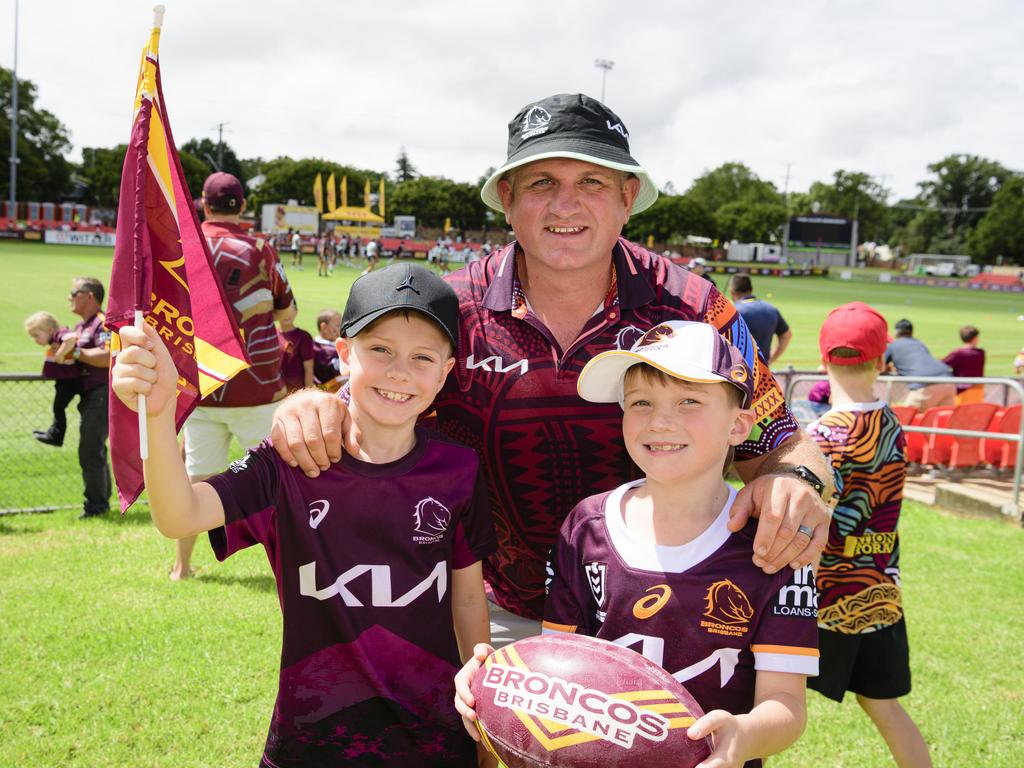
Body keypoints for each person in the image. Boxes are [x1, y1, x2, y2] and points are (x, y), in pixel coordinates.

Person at [269, 92, 835, 642]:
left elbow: (781, 440)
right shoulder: (448, 307)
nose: (565, 206)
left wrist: (800, 481)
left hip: (668, 615)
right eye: (543, 184)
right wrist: (311, 407)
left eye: (591, 182)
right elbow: (362, 410)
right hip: (488, 614)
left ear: (628, 196)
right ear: (508, 198)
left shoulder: (698, 307)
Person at [110, 263, 495, 767]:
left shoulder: (459, 468)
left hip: (434, 736)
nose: (400, 371)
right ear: (343, 353)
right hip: (313, 737)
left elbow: (467, 598)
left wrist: (484, 706)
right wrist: (158, 414)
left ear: (446, 372)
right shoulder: (290, 460)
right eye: (379, 349)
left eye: (423, 356)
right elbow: (178, 516)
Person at [456, 322, 818, 767]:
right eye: (641, 402)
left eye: (689, 401)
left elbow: (786, 704)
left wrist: (743, 734)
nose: (660, 421)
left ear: (739, 425)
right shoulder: (585, 526)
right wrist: (493, 684)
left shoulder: (773, 544)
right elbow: (557, 672)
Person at [807, 302, 933, 767]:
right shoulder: (894, 427)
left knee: (774, 700)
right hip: (880, 593)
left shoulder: (822, 436)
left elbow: (811, 525)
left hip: (823, 598)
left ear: (823, 360)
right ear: (882, 361)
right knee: (881, 703)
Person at [172, 172, 296, 581]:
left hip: (201, 382)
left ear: (203, 204)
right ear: (241, 205)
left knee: (197, 477)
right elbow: (287, 312)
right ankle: (291, 566)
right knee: (279, 478)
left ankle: (182, 566)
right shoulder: (260, 247)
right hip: (256, 384)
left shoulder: (183, 244)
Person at [68, 277, 112, 519]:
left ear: (90, 296)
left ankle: (96, 507)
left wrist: (75, 352)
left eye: (74, 293)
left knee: (89, 450)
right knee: (94, 449)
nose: (70, 298)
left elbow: (108, 356)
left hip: (101, 394)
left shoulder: (102, 323)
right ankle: (101, 501)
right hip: (88, 396)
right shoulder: (80, 326)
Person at [24, 311, 81, 447]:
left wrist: (60, 355)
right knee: (58, 408)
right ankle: (53, 432)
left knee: (58, 407)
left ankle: (56, 436)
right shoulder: (55, 338)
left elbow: (71, 339)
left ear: (49, 330)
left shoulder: (59, 334)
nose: (35, 340)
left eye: (37, 336)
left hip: (70, 381)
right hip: (65, 380)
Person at [885, 319, 955, 412]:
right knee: (941, 422)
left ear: (896, 332)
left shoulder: (892, 345)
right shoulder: (919, 343)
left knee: (904, 420)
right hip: (949, 381)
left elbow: (880, 366)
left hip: (925, 384)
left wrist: (890, 368)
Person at [728, 273, 792, 367]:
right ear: (751, 290)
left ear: (732, 292)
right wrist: (770, 359)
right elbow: (786, 335)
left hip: (737, 372)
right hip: (762, 371)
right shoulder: (771, 309)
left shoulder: (732, 312)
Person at [942, 325, 986, 405]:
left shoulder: (958, 353)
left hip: (961, 390)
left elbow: (941, 365)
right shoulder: (981, 353)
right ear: (975, 338)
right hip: (978, 390)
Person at [277, 303, 315, 393]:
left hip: (296, 392)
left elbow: (308, 368)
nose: (287, 315)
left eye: (290, 311)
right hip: (276, 392)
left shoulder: (303, 336)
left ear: (296, 312)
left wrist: (308, 393)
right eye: (283, 312)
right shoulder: (272, 335)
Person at [313, 308, 349, 392]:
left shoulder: (320, 345)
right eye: (338, 325)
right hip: (331, 392)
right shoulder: (320, 350)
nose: (342, 328)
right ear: (324, 327)